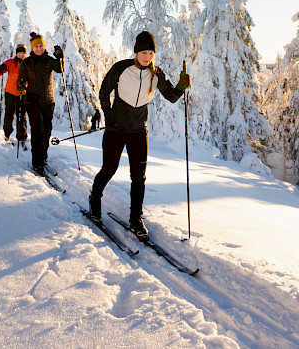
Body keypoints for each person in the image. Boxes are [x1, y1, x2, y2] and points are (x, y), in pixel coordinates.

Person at [89, 31, 190, 236]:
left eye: (151, 53)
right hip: (116, 129)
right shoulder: (121, 68)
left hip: (138, 131)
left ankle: (136, 218)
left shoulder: (156, 73)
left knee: (139, 176)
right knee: (109, 168)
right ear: (136, 52)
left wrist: (181, 86)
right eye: (144, 52)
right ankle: (94, 200)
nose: (147, 57)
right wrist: (108, 116)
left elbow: (170, 96)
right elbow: (104, 91)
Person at [16, 32, 64, 176]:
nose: (38, 48)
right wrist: (20, 85)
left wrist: (60, 57)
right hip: (32, 102)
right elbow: (20, 79)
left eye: (41, 46)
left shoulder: (49, 60)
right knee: (38, 132)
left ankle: (43, 157)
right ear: (32, 48)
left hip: (49, 101)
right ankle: (37, 162)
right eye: (36, 46)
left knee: (47, 131)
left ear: (44, 46)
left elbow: (60, 69)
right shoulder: (27, 62)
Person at [0, 44, 28, 148]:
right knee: (9, 113)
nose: (21, 54)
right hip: (10, 93)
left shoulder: (28, 63)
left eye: (23, 53)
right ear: (16, 53)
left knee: (21, 116)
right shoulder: (10, 62)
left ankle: (22, 137)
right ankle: (7, 134)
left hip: (23, 94)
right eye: (19, 52)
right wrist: (0, 69)